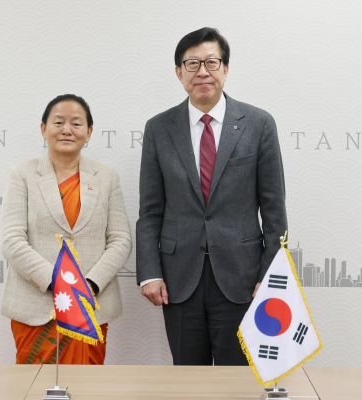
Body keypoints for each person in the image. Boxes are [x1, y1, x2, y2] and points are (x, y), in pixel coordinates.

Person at [136, 28, 288, 366]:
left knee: (238, 380)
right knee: (188, 379)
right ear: (179, 72)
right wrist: (149, 272)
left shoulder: (258, 124)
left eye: (211, 62)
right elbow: (150, 211)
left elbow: (274, 210)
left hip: (242, 278)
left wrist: (271, 275)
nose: (202, 71)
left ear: (226, 68)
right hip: (179, 279)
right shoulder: (159, 128)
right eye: (192, 63)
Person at [0, 94, 132, 365]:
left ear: (89, 132)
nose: (67, 130)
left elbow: (120, 239)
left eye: (77, 123)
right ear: (43, 129)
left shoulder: (107, 177)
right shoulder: (22, 174)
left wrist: (89, 285)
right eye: (58, 122)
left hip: (90, 306)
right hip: (36, 306)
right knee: (34, 384)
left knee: (87, 383)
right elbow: (12, 240)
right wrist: (59, 283)